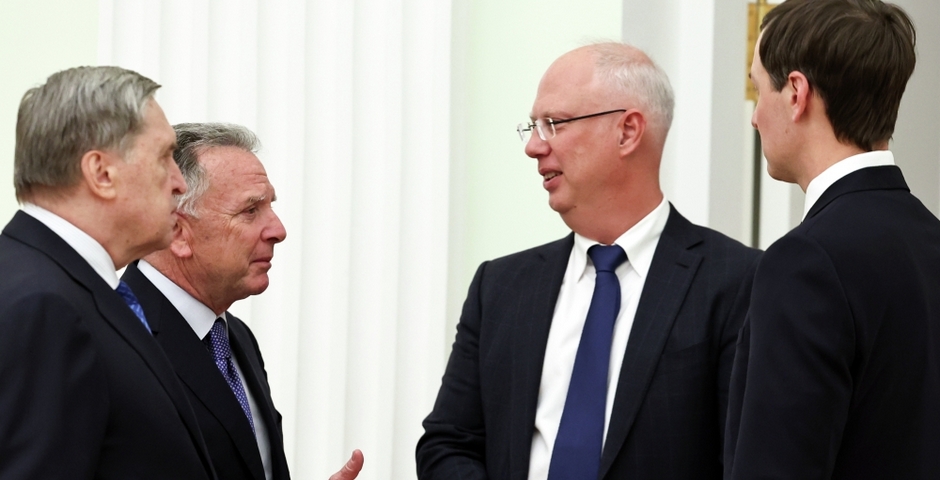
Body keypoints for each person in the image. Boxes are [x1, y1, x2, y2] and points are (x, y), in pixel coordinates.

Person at [417, 42, 760, 480]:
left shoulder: (737, 282)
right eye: (533, 127)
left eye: (554, 124)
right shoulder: (500, 286)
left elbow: (745, 461)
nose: (533, 146)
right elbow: (447, 444)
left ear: (627, 131)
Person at [724, 1, 940, 478]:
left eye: (759, 90)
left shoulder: (805, 263)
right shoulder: (930, 241)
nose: (755, 117)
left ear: (796, 93)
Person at [0, 67, 216, 478]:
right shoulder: (43, 306)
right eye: (164, 157)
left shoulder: (57, 285)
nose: (180, 183)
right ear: (101, 173)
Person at [120, 123, 364, 480]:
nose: (278, 230)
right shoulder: (114, 336)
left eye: (270, 206)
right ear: (177, 232)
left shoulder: (235, 338)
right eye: (250, 210)